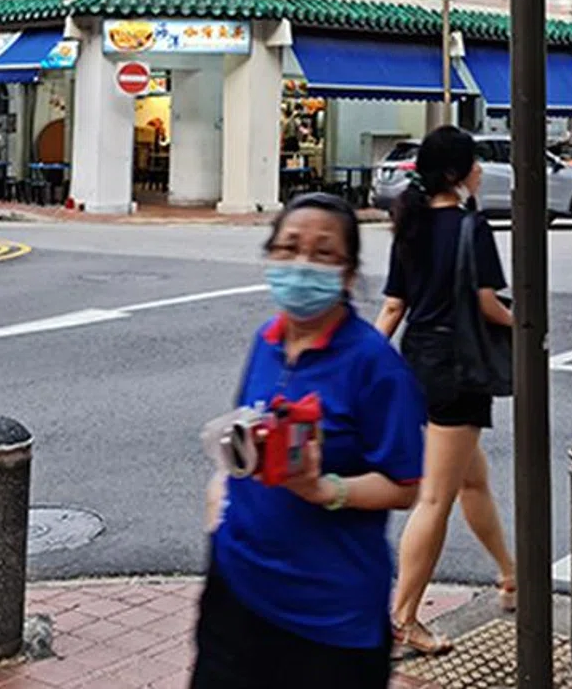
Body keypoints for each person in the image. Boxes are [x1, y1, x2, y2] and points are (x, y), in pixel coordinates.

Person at [193, 193, 424, 688]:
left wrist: (326, 490)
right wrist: (221, 485)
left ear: (346, 273)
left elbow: (405, 485)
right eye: (289, 248)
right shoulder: (266, 341)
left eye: (323, 253)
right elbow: (245, 425)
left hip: (328, 618)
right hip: (236, 587)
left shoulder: (374, 365)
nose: (302, 265)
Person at [376, 125, 516, 657]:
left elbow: (393, 307)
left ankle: (510, 575)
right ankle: (404, 618)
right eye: (475, 163)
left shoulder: (408, 225)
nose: (480, 170)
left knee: (470, 480)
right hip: (460, 368)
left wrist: (360, 363)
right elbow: (487, 303)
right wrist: (521, 324)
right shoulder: (470, 227)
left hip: (419, 365)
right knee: (436, 497)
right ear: (459, 175)